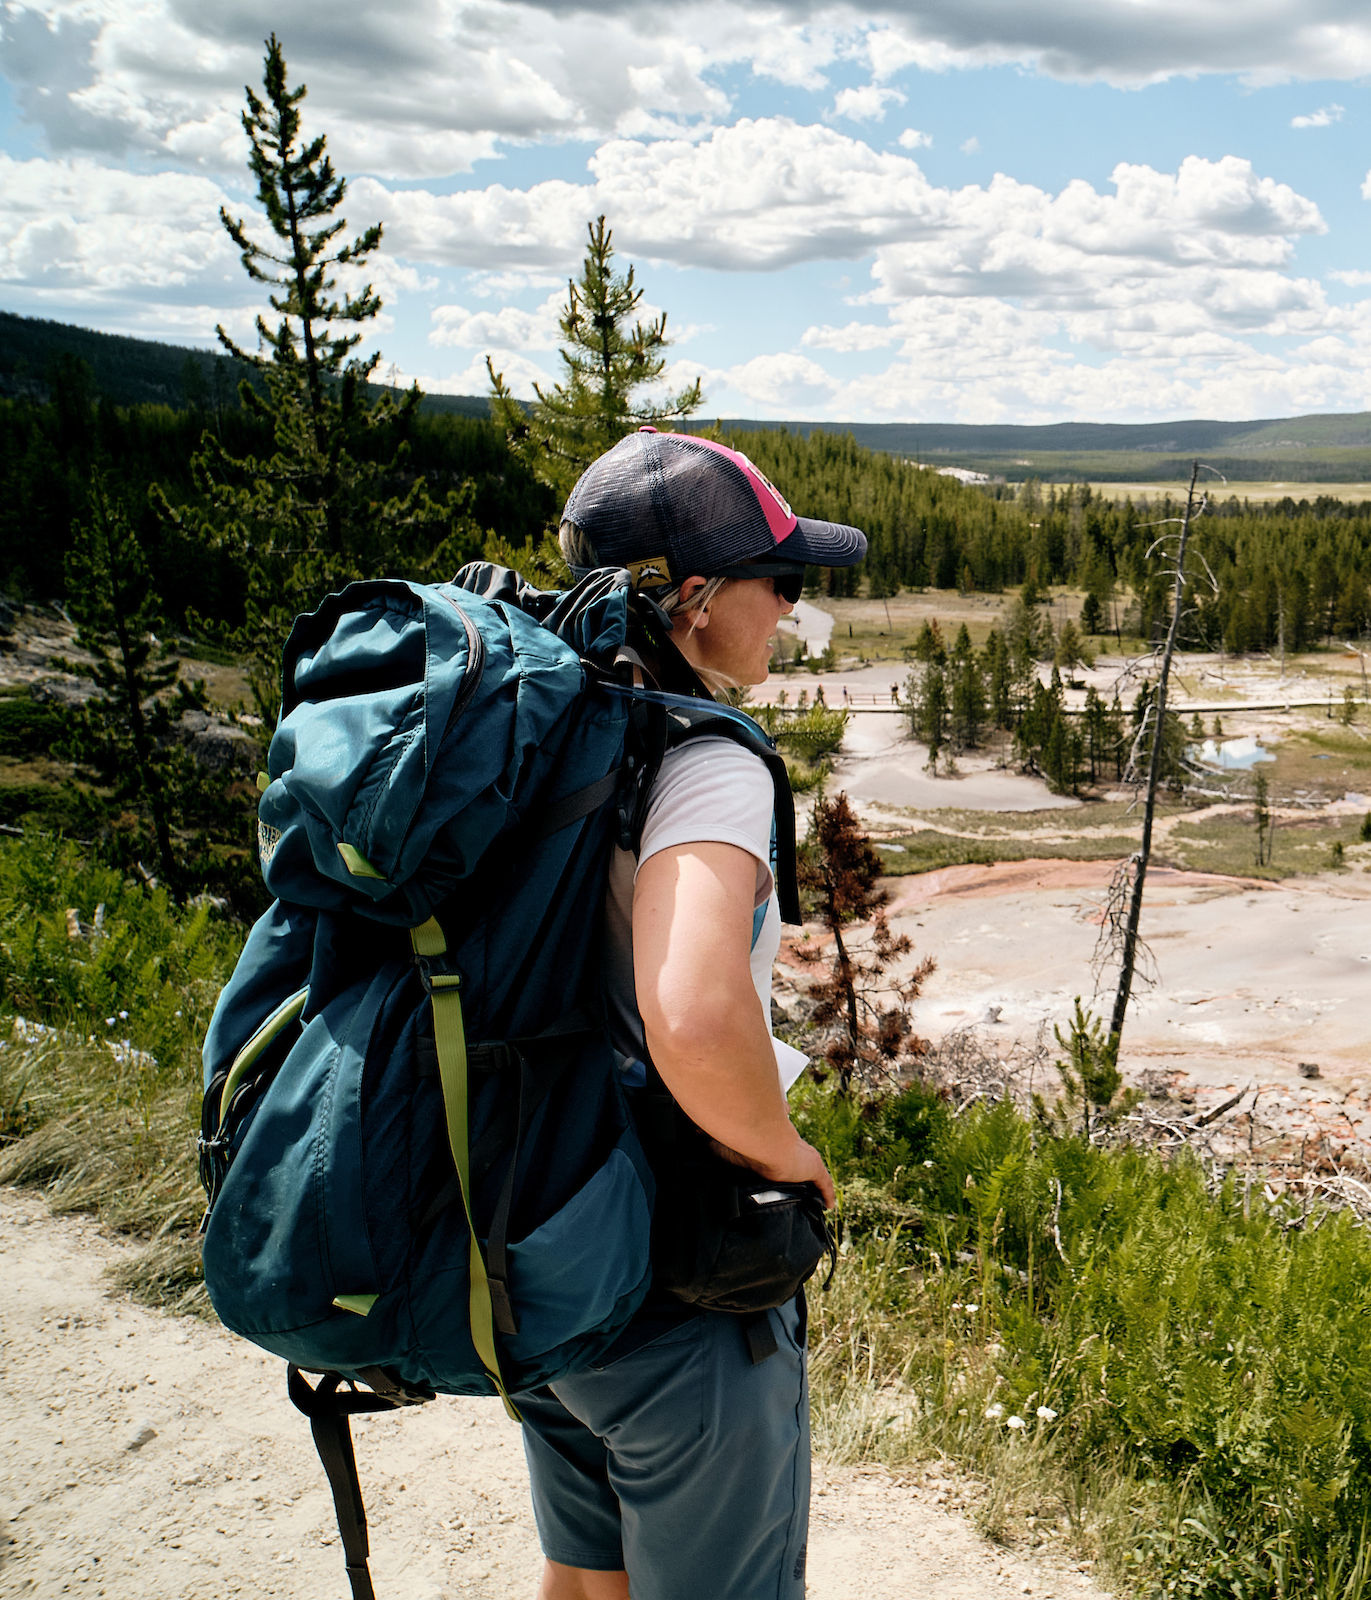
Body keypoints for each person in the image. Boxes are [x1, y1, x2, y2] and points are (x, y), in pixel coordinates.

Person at [516, 428, 867, 1600]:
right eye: (783, 579)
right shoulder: (702, 760)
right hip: (662, 1283)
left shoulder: (540, 728)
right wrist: (788, 1154)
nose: (792, 606)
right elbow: (697, 1013)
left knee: (583, 1578)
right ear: (698, 596)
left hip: (527, 1247)